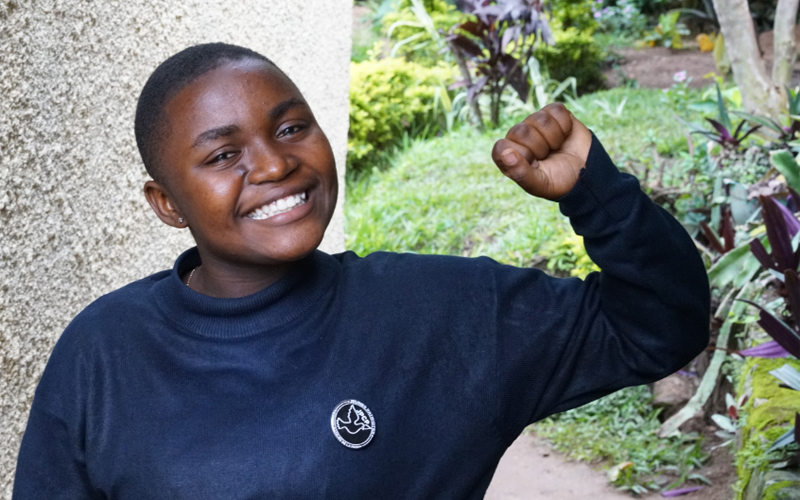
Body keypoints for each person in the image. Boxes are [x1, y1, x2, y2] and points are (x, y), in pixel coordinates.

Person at [13, 43, 709, 499]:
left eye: (291, 128)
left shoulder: (442, 313)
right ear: (167, 203)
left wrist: (598, 192)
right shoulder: (104, 351)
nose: (276, 164)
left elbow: (655, 328)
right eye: (224, 155)